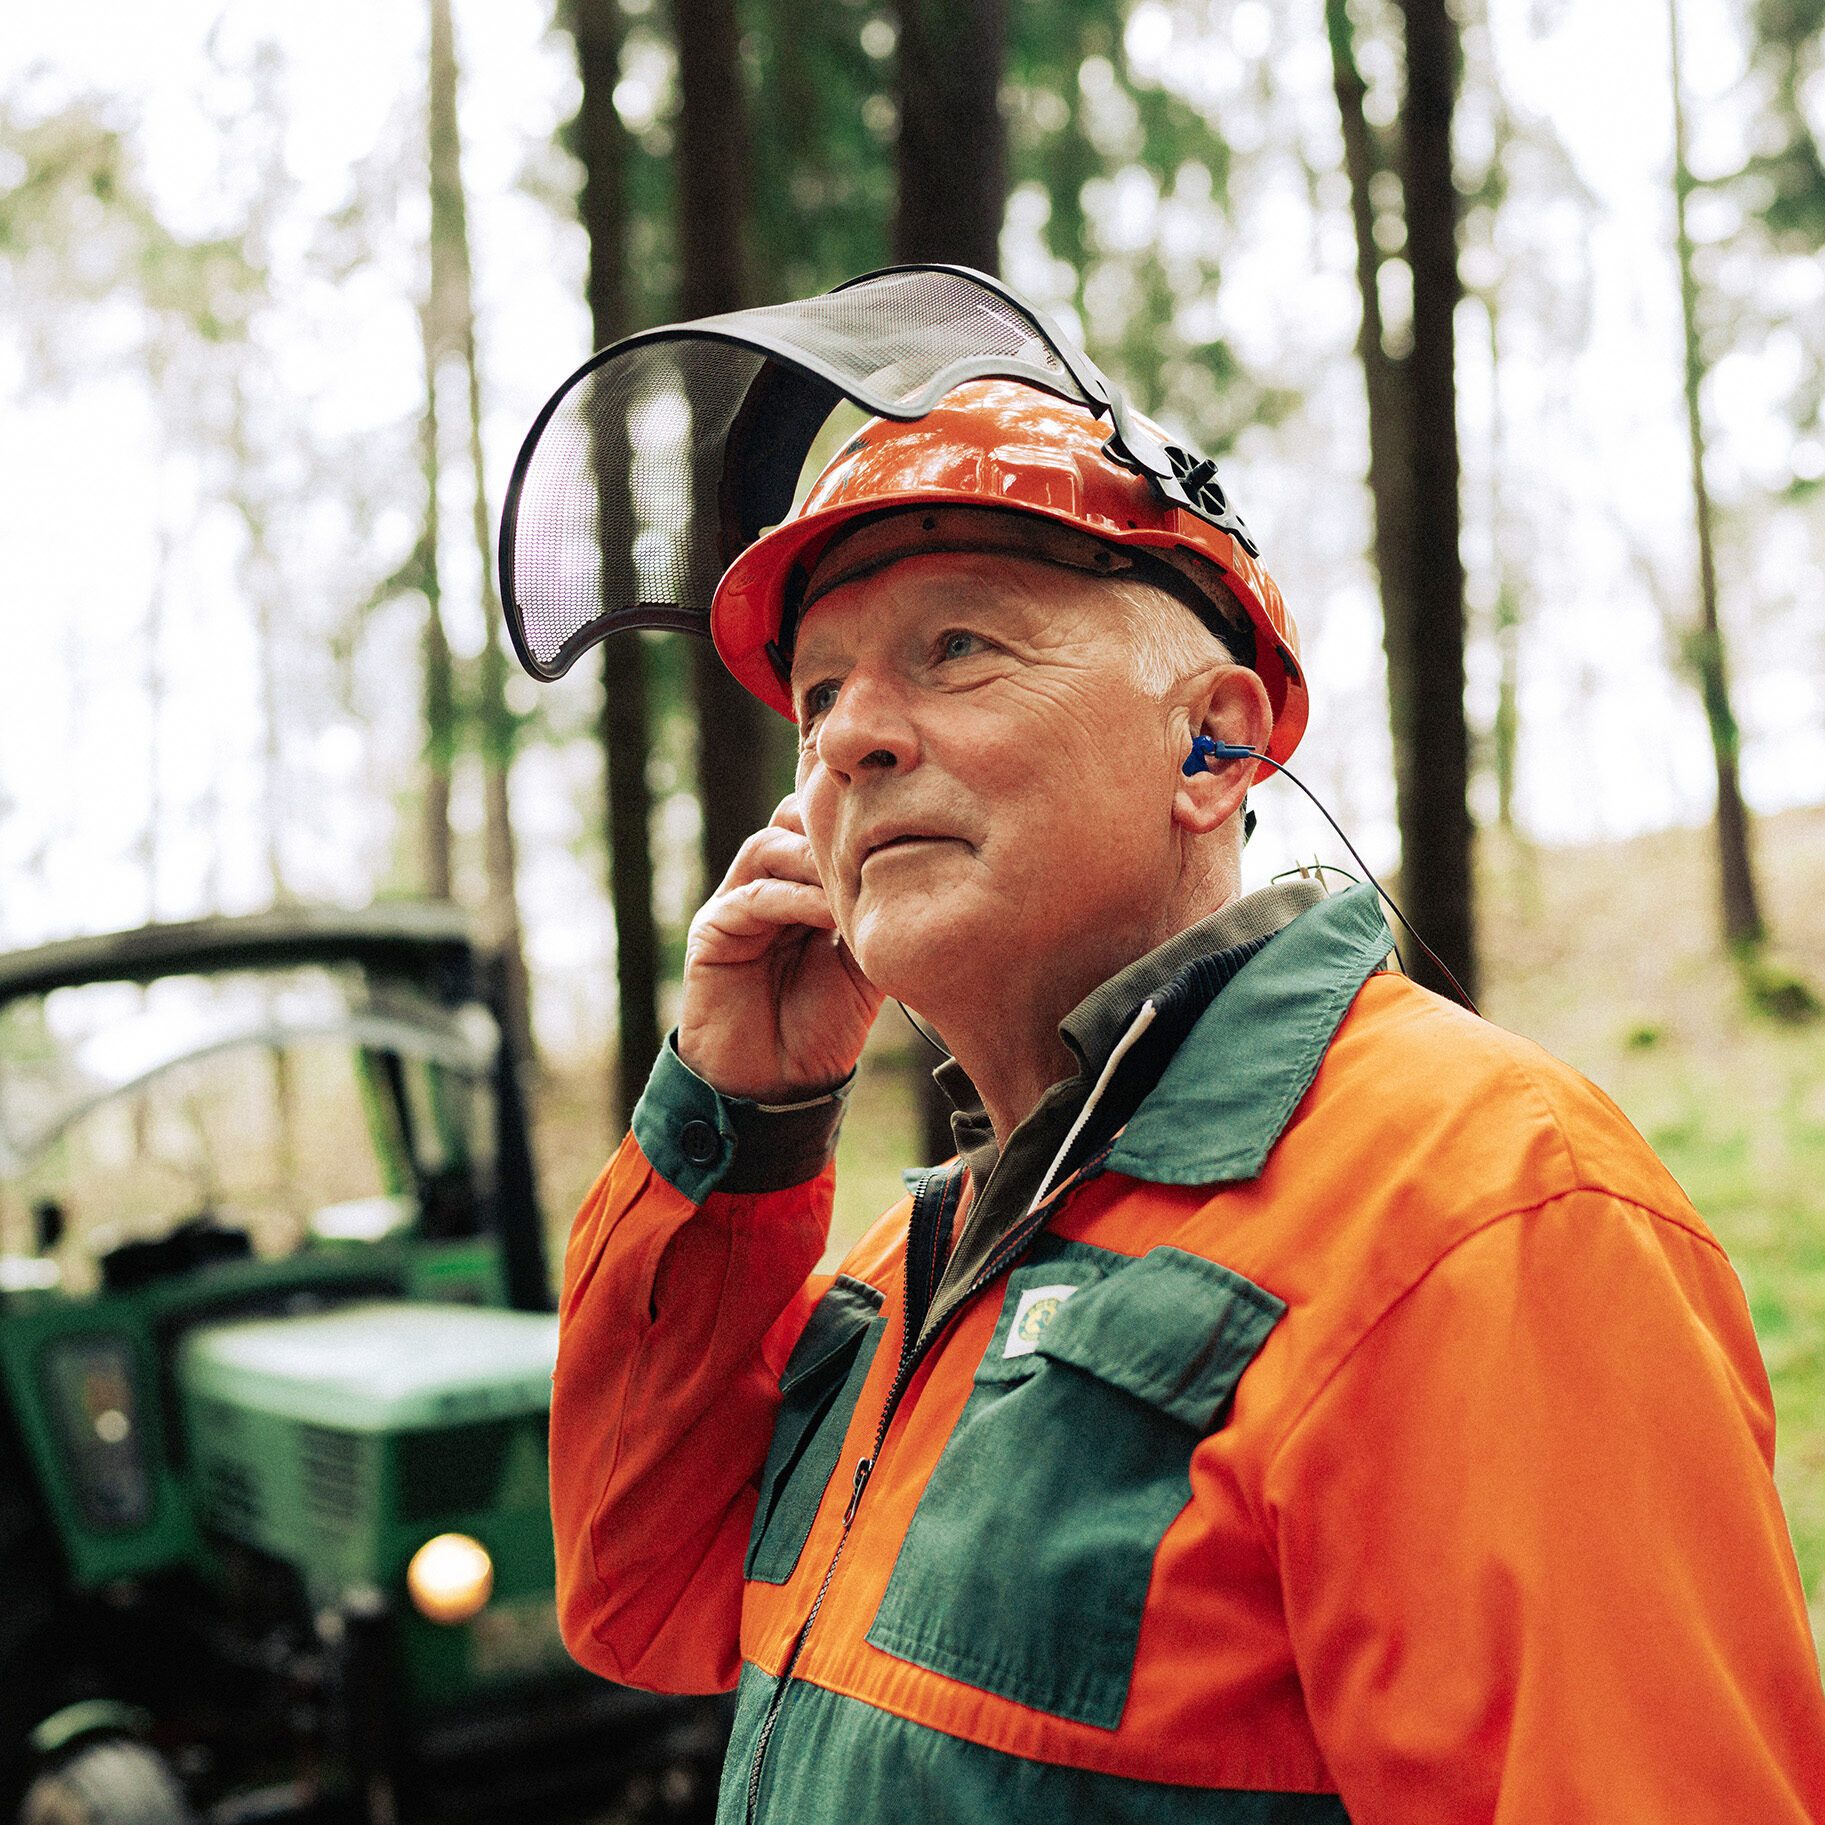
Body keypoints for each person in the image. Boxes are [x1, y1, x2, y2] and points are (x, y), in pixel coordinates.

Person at [547, 376, 1825, 1821]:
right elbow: (637, 1597)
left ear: (1213, 741)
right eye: (820, 694)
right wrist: (735, 1128)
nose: (848, 738)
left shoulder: (1478, 1209)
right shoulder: (924, 1268)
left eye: (954, 646)